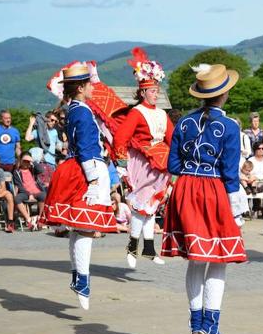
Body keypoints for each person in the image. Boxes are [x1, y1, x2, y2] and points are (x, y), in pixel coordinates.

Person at [161, 63, 248, 334]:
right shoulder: (231, 127)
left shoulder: (183, 123)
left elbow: (172, 165)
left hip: (185, 189)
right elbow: (230, 173)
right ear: (224, 94)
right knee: (219, 256)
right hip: (213, 191)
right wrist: (236, 211)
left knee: (196, 258)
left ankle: (195, 320)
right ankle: (212, 323)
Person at [41, 63, 117, 310]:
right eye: (90, 84)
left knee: (78, 228)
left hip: (78, 167)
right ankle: (82, 280)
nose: (94, 87)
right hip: (86, 169)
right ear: (82, 88)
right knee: (85, 228)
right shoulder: (82, 111)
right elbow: (85, 147)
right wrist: (94, 181)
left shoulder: (74, 109)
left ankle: (78, 277)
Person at [113, 47, 173, 268]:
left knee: (151, 206)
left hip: (159, 163)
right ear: (143, 92)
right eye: (152, 90)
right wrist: (122, 164)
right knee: (141, 207)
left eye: (157, 90)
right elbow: (121, 137)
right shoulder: (137, 112)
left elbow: (171, 137)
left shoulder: (161, 113)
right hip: (142, 163)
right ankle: (131, 246)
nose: (156, 93)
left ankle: (148, 249)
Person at [13, 151, 47, 231]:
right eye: (24, 161)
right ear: (20, 161)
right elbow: (19, 185)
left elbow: (41, 170)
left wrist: (33, 161)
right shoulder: (17, 171)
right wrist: (29, 194)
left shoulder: (32, 169)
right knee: (17, 198)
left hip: (36, 191)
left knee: (44, 195)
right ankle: (29, 219)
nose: (26, 163)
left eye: (28, 161)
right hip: (25, 192)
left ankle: (40, 218)